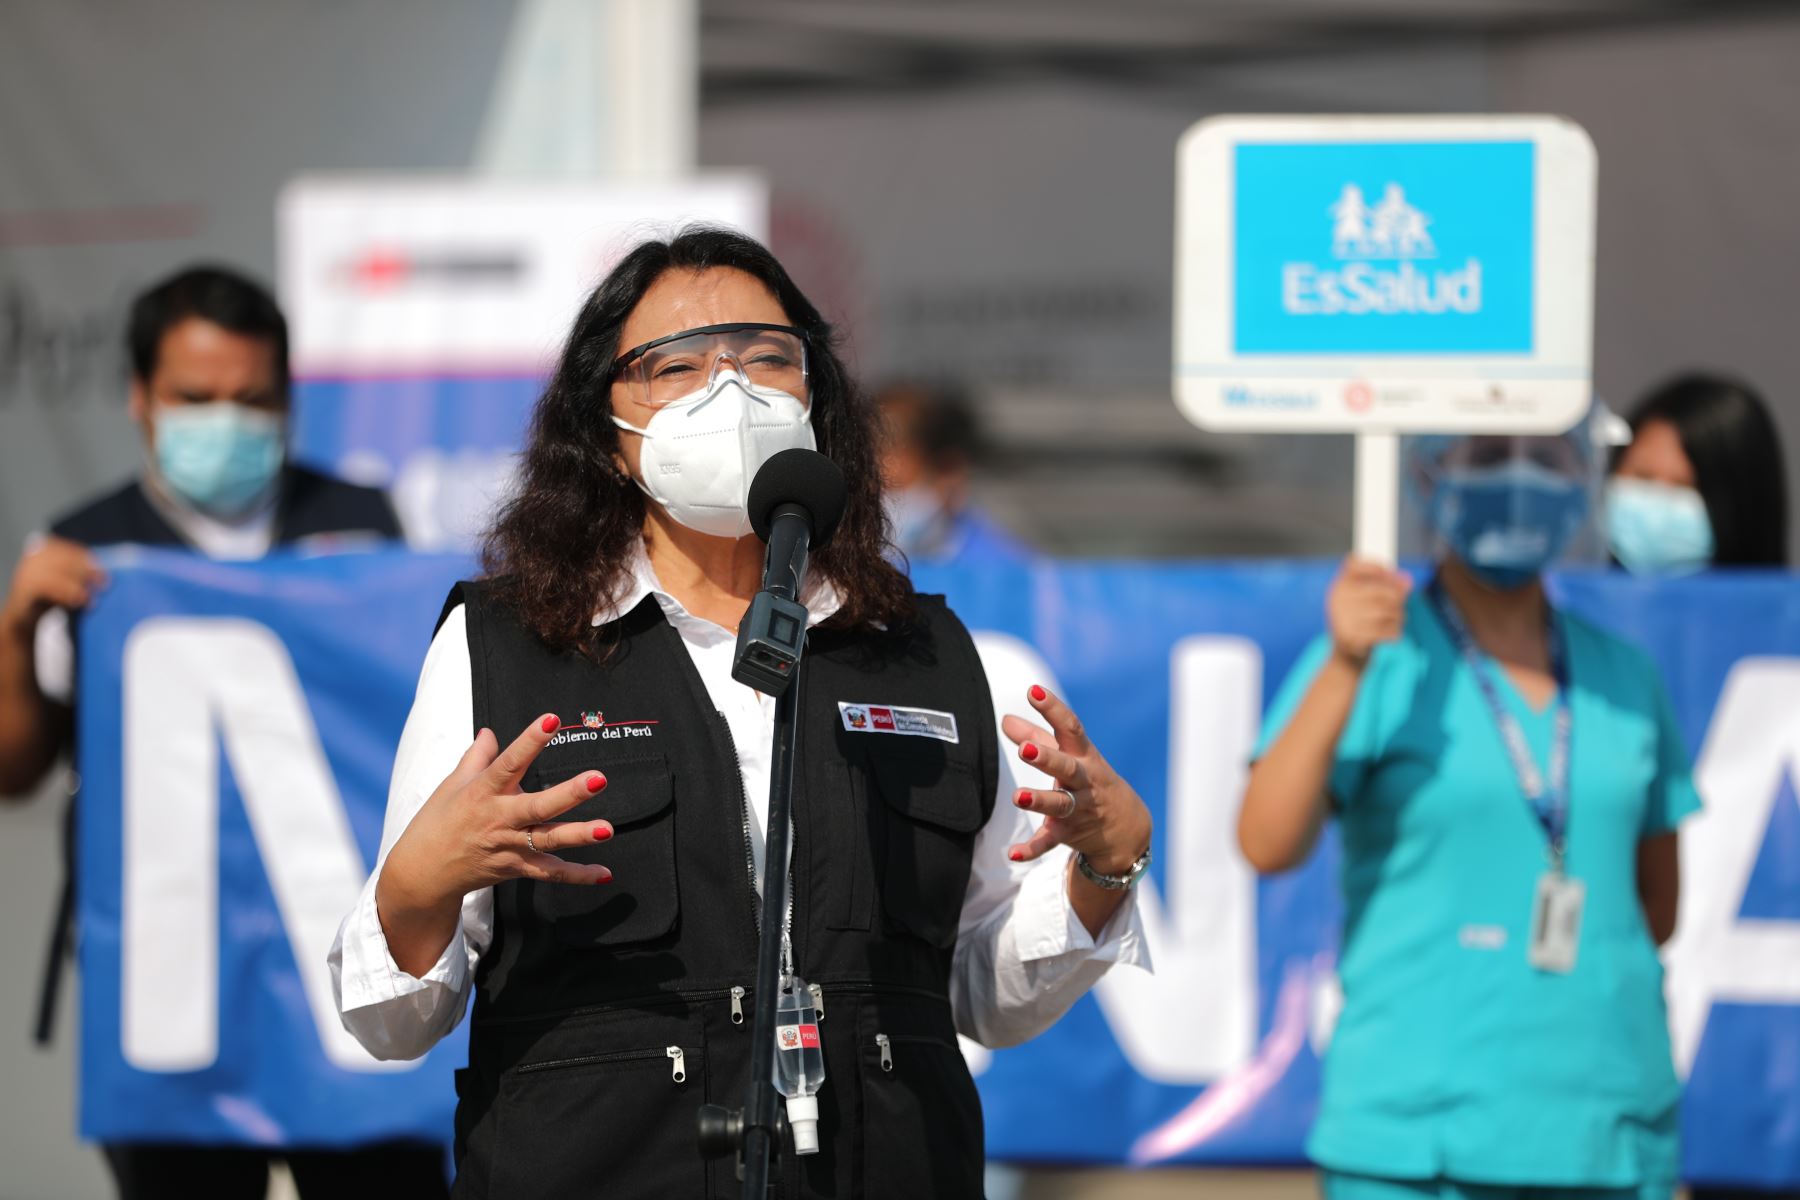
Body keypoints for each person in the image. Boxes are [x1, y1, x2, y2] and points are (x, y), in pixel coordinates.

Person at [328, 228, 1155, 1198]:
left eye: (768, 358)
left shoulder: (925, 653)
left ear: (818, 402)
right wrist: (417, 885)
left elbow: (979, 998)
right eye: (674, 365)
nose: (731, 391)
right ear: (606, 431)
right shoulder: (504, 649)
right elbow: (391, 1020)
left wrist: (1105, 867)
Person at [0, 265, 437, 1198]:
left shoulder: (364, 523)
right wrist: (14, 628)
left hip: (344, 976)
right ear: (137, 398)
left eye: (251, 399)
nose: (224, 422)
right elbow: (14, 771)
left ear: (287, 400)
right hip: (173, 987)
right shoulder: (81, 548)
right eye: (194, 398)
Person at [1239, 429, 1699, 1200]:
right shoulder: (1378, 654)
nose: (1517, 478)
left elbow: (1654, 906)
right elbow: (1265, 840)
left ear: (1584, 473)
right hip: (1415, 1146)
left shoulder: (1625, 674)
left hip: (1609, 1138)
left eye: (1545, 455)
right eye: (1484, 455)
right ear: (1426, 471)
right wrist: (1347, 662)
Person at [1606, 371, 1789, 575]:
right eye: (1642, 476)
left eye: (1685, 485)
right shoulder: (1570, 601)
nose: (1657, 504)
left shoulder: (1784, 606)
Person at [876, 379, 1033, 568]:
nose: (875, 478)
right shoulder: (844, 565)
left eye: (894, 484)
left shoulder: (1007, 571)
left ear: (948, 471)